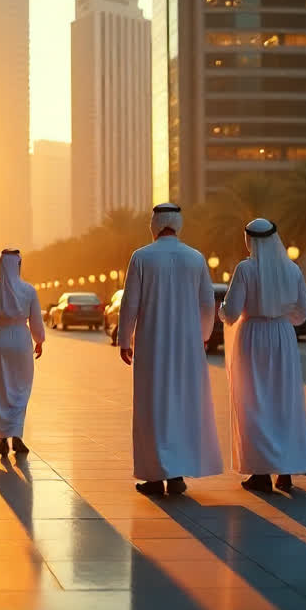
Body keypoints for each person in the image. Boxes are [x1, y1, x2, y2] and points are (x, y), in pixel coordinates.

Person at [116, 203, 223, 496]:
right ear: (178, 223)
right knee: (181, 406)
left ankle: (155, 475)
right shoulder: (195, 258)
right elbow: (206, 303)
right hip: (187, 347)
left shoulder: (141, 257)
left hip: (151, 346)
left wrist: (124, 339)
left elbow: (130, 304)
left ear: (154, 224)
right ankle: (176, 475)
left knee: (153, 407)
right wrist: (201, 337)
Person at [218, 217, 306, 494]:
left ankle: (260, 473)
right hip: (283, 337)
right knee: (284, 402)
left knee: (254, 402)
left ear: (249, 240)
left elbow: (232, 311)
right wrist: (283, 319)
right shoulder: (292, 269)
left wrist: (221, 310)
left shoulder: (246, 269)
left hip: (253, 338)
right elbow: (303, 311)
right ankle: (285, 472)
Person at [0, 250, 46, 456]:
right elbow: (36, 322)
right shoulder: (29, 291)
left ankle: (3, 439)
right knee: (20, 390)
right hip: (22, 343)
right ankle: (16, 437)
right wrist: (39, 340)